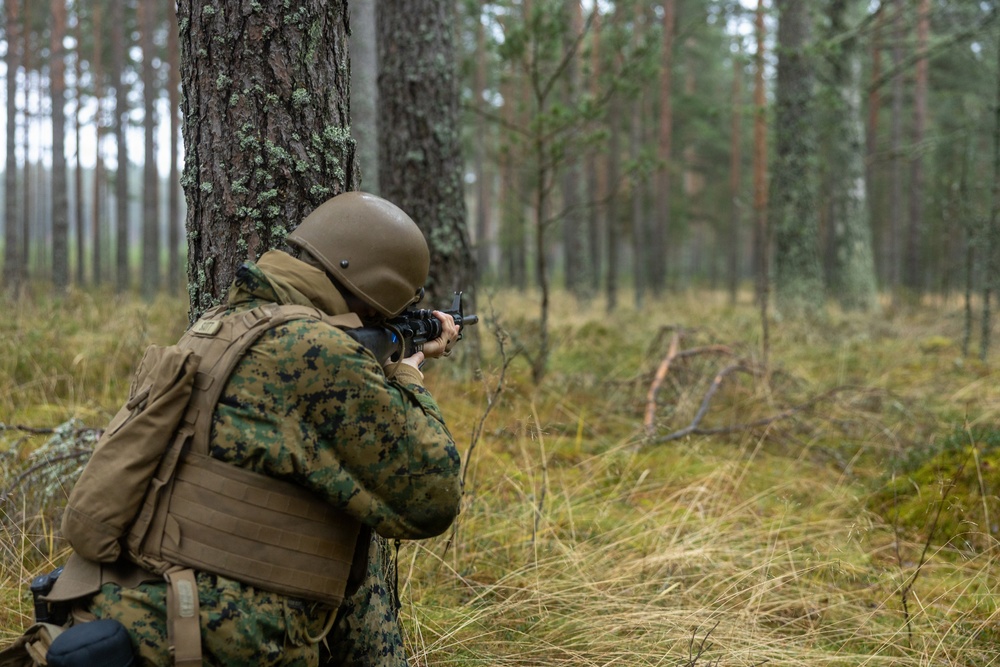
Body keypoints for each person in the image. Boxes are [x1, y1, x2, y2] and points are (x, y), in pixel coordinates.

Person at [77, 191, 464, 666]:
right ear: (371, 291)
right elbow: (433, 494)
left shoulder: (218, 325)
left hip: (137, 608)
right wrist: (408, 374)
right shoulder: (313, 348)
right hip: (210, 636)